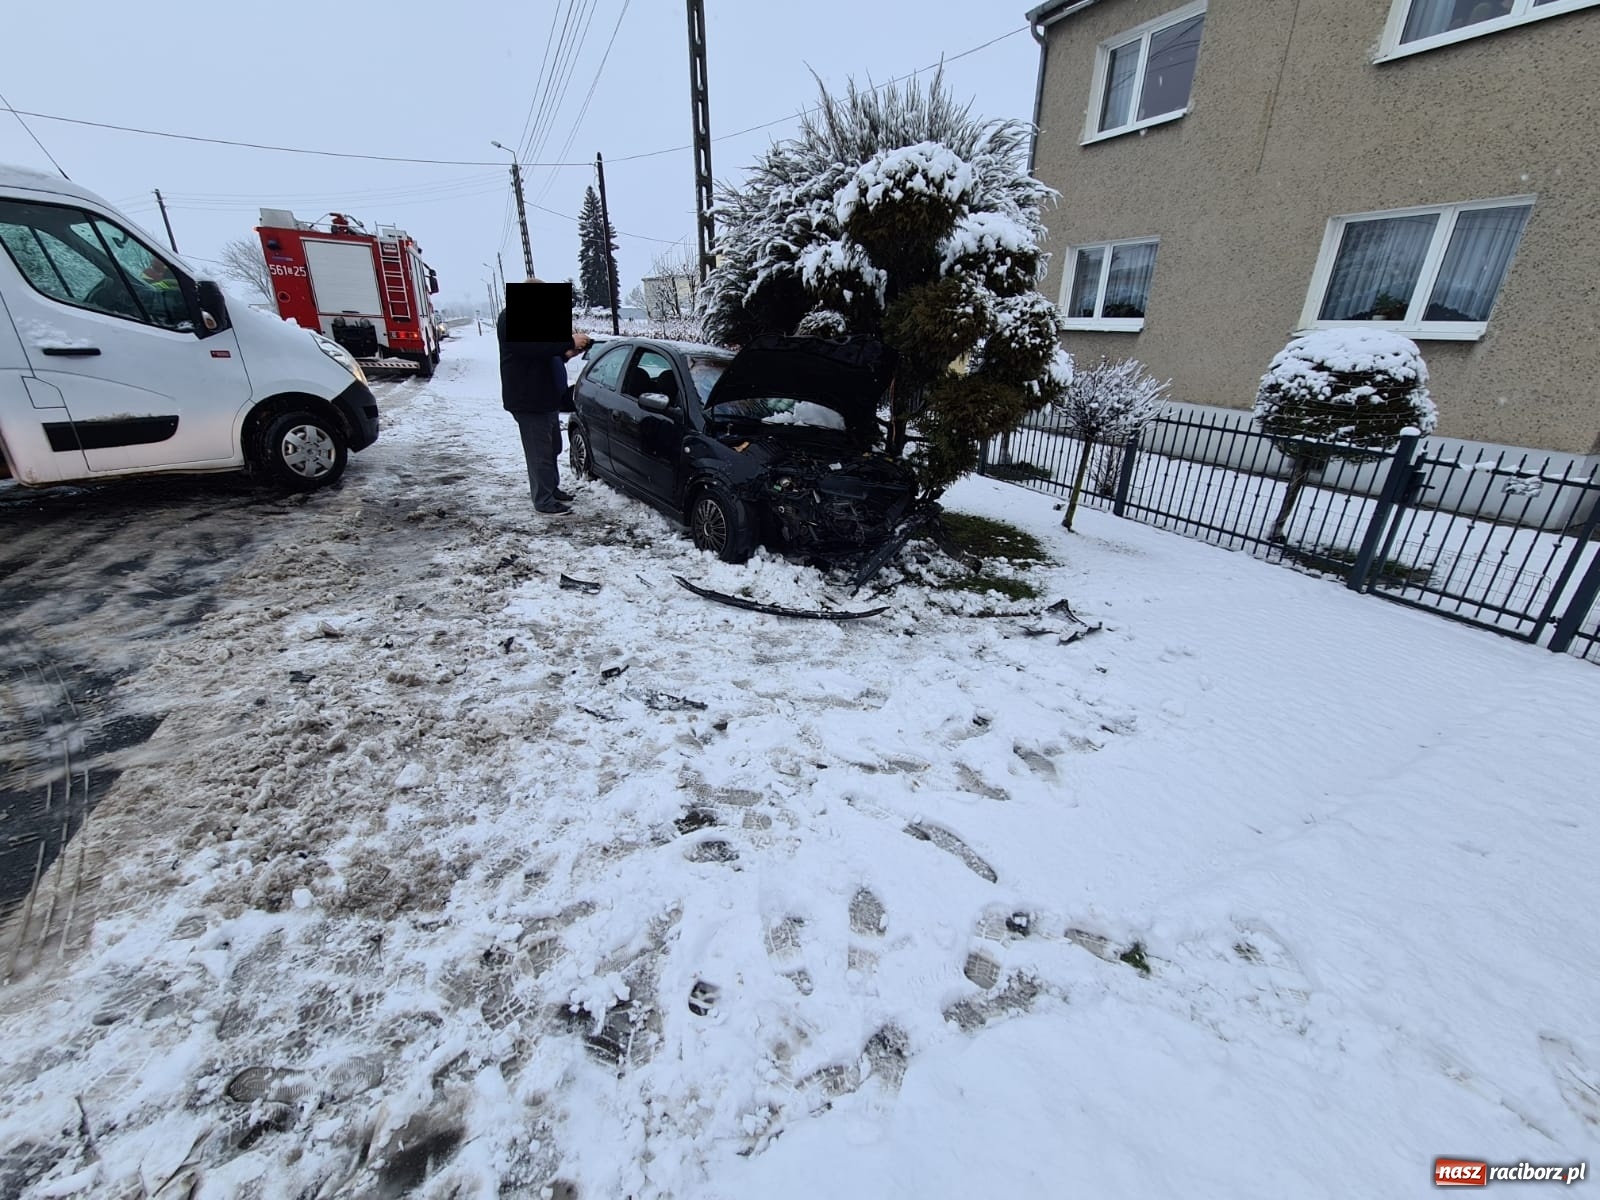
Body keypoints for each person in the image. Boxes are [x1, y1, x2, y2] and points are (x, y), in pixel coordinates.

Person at [497, 308, 591, 515]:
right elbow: (534, 349)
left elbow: (542, 356)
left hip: (546, 401)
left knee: (552, 448)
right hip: (529, 403)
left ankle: (551, 489)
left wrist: (565, 354)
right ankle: (543, 500)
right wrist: (568, 342)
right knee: (539, 454)